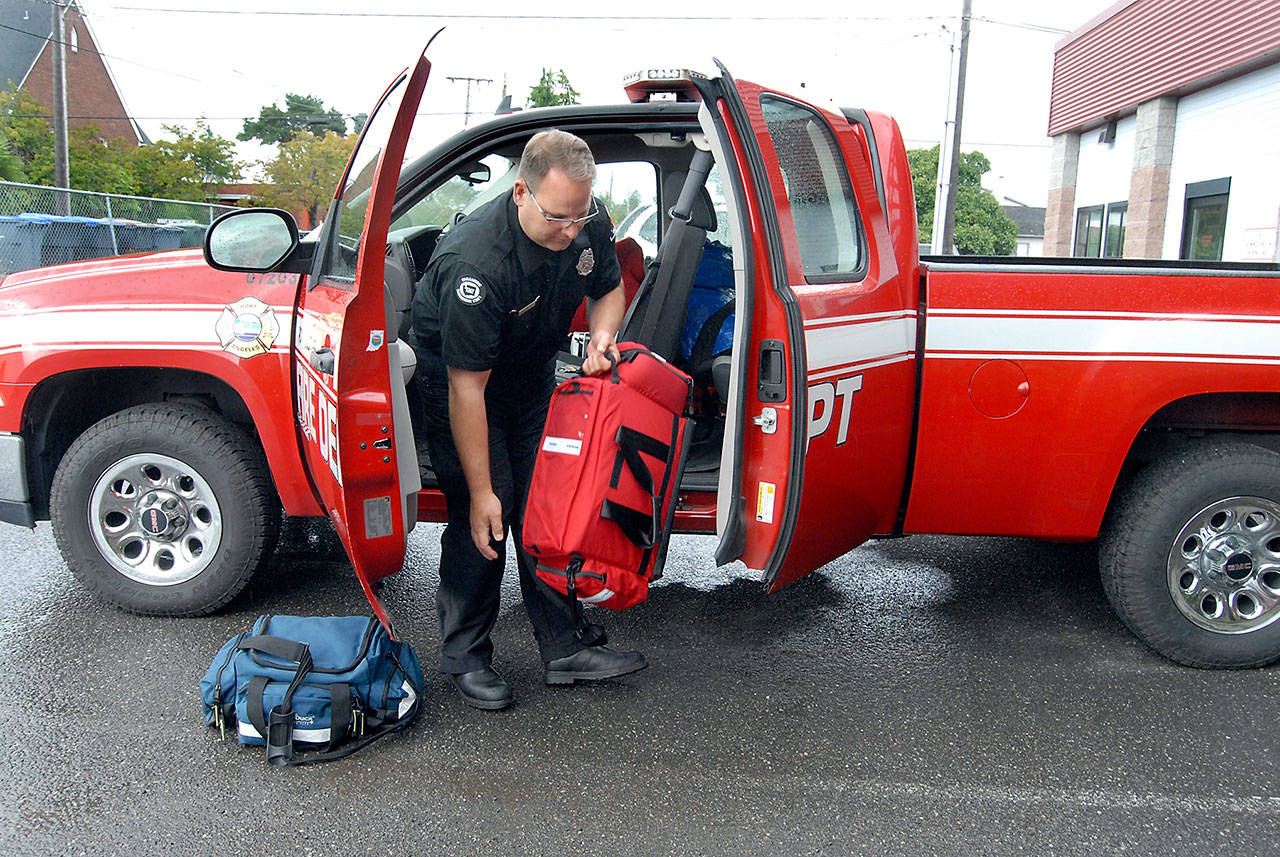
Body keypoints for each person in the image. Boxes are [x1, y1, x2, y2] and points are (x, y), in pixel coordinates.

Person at [409, 129, 646, 711]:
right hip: (461, 384)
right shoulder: (476, 263)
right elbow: (468, 391)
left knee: (548, 503)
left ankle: (564, 647)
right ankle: (466, 657)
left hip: (531, 373)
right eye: (558, 218)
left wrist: (602, 336)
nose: (571, 231)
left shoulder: (582, 217)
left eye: (579, 216)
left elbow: (608, 289)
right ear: (520, 192)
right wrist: (484, 488)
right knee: (489, 515)